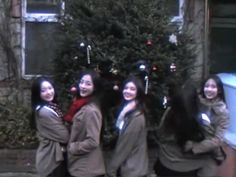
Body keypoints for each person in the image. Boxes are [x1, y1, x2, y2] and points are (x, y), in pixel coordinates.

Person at [154, 80, 216, 177]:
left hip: (164, 164)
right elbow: (213, 143)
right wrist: (195, 147)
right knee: (211, 162)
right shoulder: (201, 118)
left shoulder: (169, 113)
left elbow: (160, 133)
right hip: (188, 168)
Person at [184, 74, 229, 175]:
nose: (209, 89)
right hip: (193, 142)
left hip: (209, 151)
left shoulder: (223, 112)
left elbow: (217, 140)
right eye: (207, 86)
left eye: (213, 87)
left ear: (219, 90)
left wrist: (194, 147)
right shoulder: (197, 102)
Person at [106, 76, 149, 177]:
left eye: (132, 89)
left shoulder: (136, 117)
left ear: (138, 92)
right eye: (126, 88)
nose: (127, 91)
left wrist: (111, 169)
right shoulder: (127, 109)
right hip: (133, 166)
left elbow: (125, 146)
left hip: (132, 169)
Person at [66, 70, 105, 177]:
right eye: (81, 82)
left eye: (88, 84)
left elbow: (93, 141)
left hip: (86, 169)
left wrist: (72, 147)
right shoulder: (79, 104)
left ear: (95, 87)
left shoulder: (91, 110)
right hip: (78, 166)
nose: (83, 86)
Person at [31, 76, 69, 177]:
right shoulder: (45, 112)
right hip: (52, 160)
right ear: (37, 94)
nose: (48, 92)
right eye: (43, 90)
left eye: (50, 88)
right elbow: (64, 136)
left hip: (55, 156)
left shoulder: (52, 106)